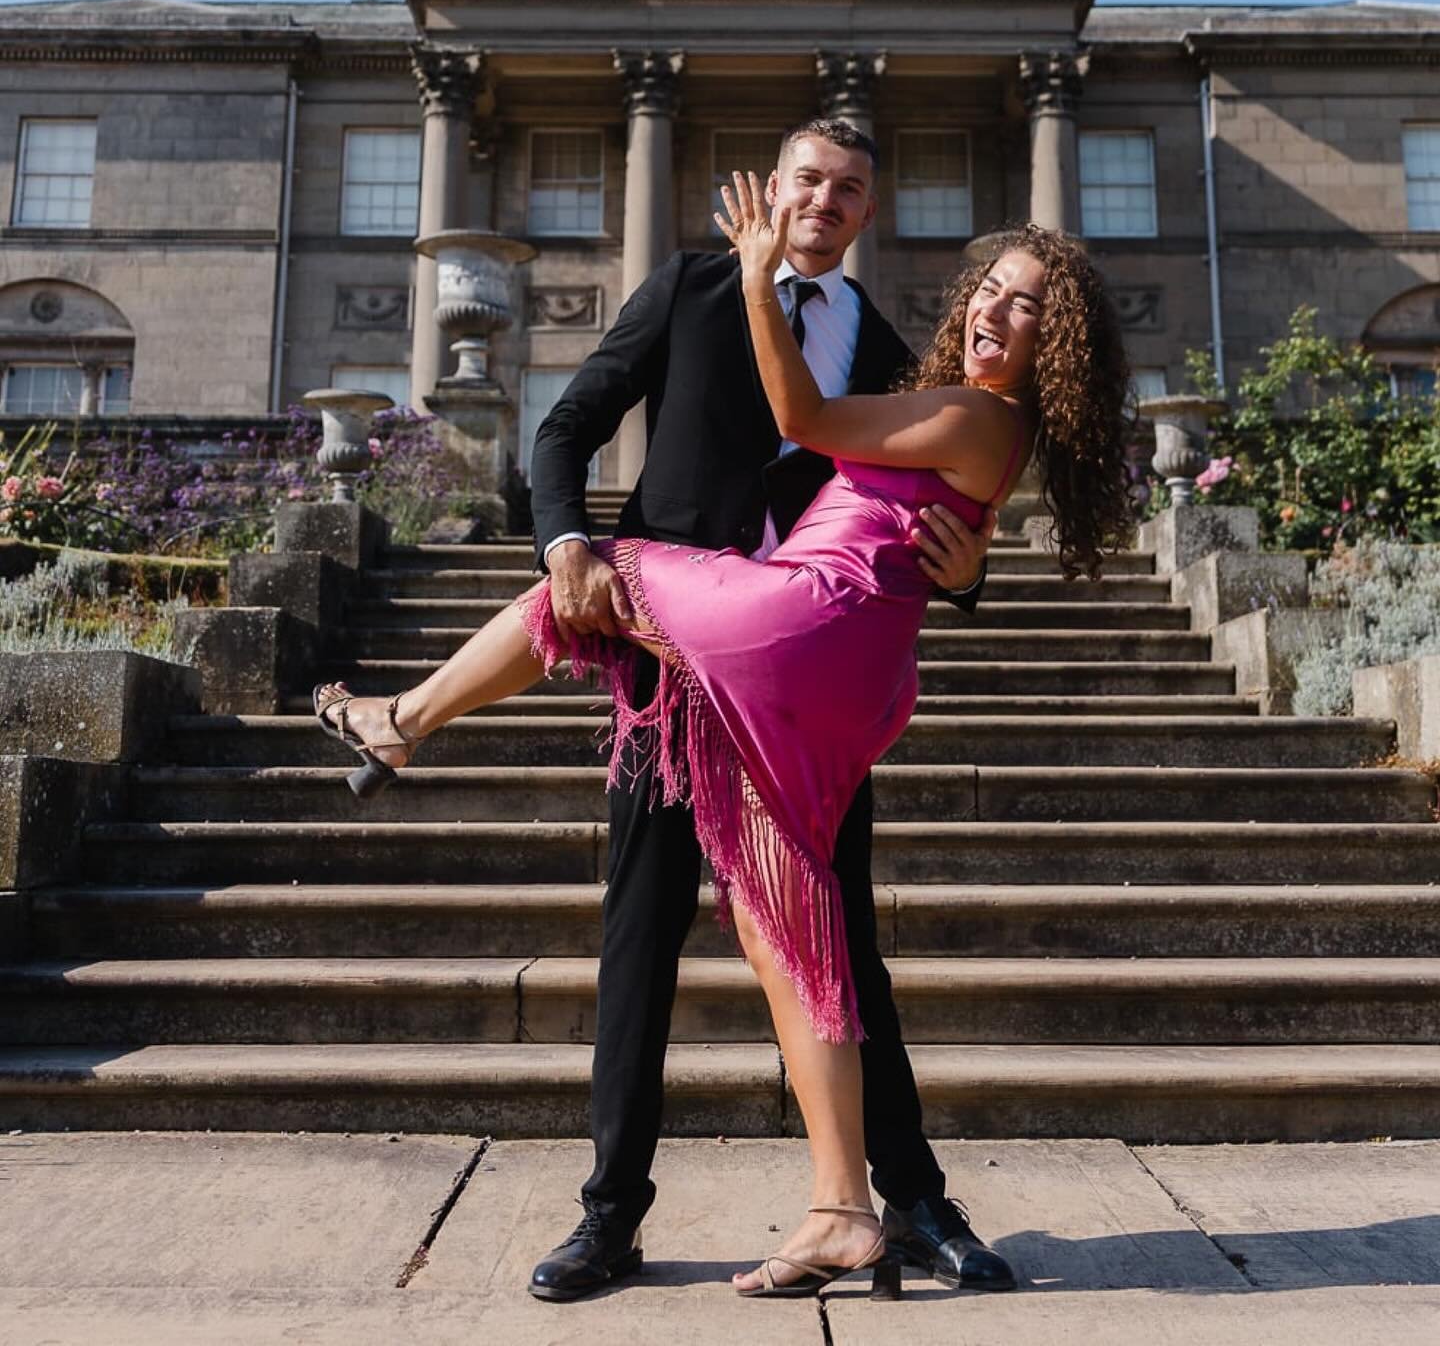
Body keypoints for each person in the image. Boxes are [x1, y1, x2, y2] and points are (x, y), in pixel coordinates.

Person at [313, 124, 1125, 1297]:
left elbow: (929, 514)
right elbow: (564, 427)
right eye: (808, 179)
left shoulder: (901, 357)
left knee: (833, 939)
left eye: (851, 188)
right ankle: (611, 1216)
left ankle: (910, 1203)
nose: (825, 200)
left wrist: (969, 573)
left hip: (793, 664)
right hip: (674, 667)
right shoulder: (690, 286)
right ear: (776, 189)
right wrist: (562, 541)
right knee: (643, 938)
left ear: (867, 213)